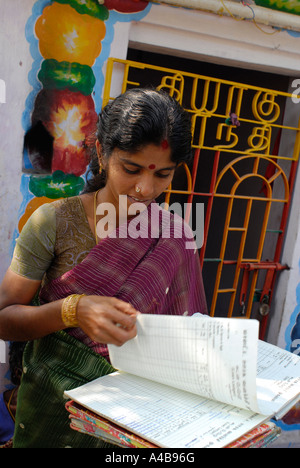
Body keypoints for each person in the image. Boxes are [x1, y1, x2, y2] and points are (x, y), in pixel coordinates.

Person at [0, 88, 207, 448]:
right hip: (53, 416)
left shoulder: (173, 235)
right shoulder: (53, 222)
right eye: (131, 169)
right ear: (101, 152)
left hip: (136, 423)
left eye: (163, 175)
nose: (145, 188)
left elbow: (191, 334)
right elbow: (4, 318)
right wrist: (72, 310)